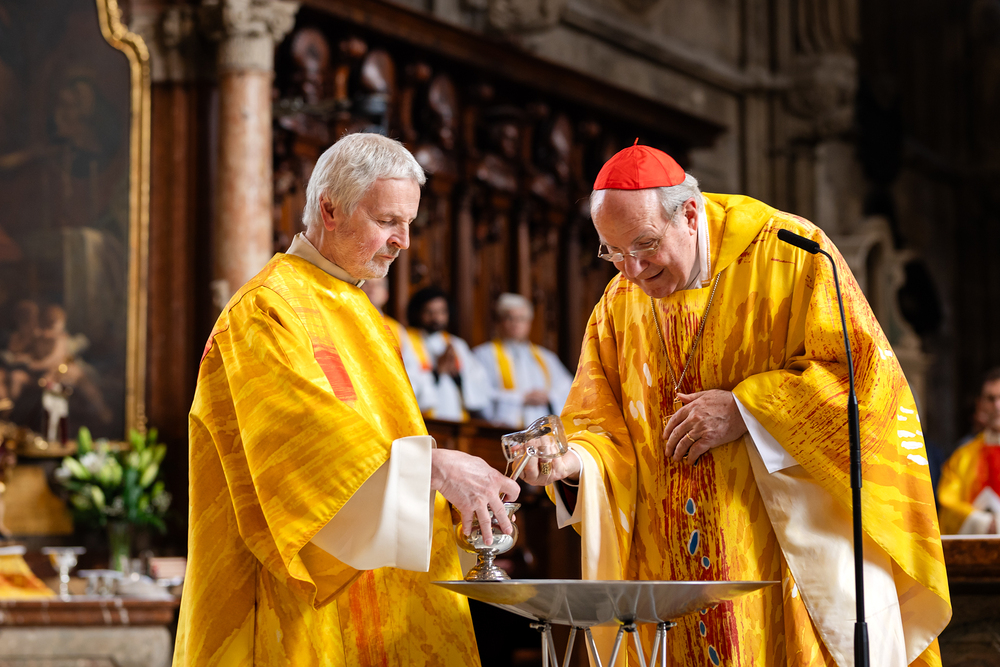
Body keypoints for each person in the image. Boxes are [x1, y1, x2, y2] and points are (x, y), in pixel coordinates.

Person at [522, 144, 950, 666]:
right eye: (611, 251)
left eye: (645, 245)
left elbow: (862, 379)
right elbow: (600, 425)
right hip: (665, 571)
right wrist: (571, 462)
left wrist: (746, 411)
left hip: (775, 557)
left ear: (689, 214)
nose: (631, 269)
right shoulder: (617, 306)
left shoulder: (791, 254)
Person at [174, 133, 519, 666]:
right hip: (291, 605)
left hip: (385, 598)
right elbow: (300, 451)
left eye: (410, 223)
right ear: (330, 210)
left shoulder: (365, 315)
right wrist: (435, 469)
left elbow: (385, 440)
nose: (404, 241)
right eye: (388, 221)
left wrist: (439, 494)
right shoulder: (265, 311)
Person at [472, 293, 574, 428]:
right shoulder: (483, 355)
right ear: (500, 321)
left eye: (521, 319)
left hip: (544, 432)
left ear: (529, 323)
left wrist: (549, 397)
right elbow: (479, 394)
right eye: (510, 318)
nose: (516, 324)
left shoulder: (546, 357)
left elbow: (568, 389)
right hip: (503, 431)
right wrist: (521, 399)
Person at [403, 286, 490, 422]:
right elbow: (404, 384)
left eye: (441, 311)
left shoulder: (457, 344)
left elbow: (479, 385)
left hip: (456, 419)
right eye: (429, 311)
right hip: (424, 420)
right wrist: (437, 372)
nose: (436, 317)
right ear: (417, 312)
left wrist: (457, 376)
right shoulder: (405, 340)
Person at [938, 367, 1000, 534]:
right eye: (991, 398)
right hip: (978, 545)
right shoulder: (962, 456)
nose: (997, 405)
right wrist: (984, 523)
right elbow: (948, 503)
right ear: (980, 404)